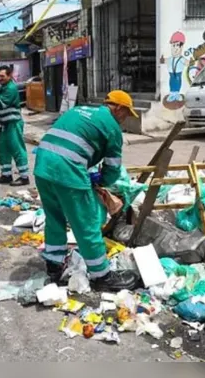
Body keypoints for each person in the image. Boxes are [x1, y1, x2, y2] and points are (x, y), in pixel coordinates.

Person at [33, 90, 141, 292]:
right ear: (117, 108)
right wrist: (101, 180)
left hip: (42, 167)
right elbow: (113, 168)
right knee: (86, 223)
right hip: (68, 173)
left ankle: (54, 265)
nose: (125, 119)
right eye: (126, 113)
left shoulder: (79, 110)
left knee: (54, 217)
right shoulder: (112, 128)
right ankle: (102, 275)